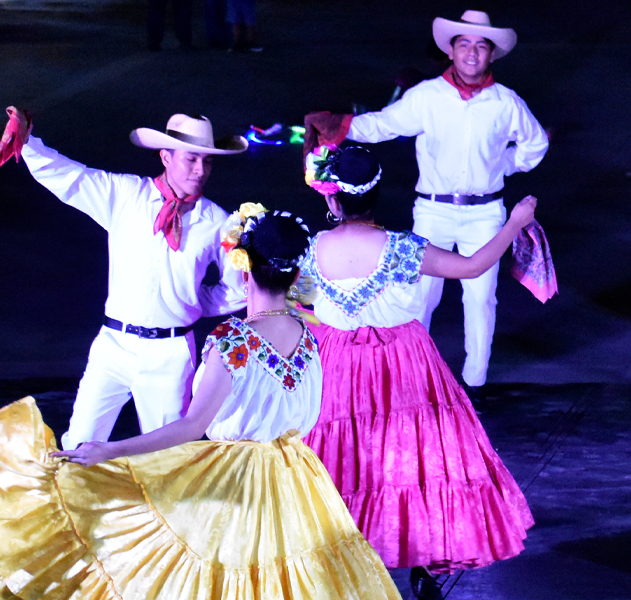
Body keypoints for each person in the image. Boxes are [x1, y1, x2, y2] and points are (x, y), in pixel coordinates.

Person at [0, 210, 404, 600]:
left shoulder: (232, 340)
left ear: (245, 271)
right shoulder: (310, 339)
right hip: (297, 477)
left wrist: (111, 450)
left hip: (235, 480)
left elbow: (192, 425)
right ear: (296, 275)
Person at [298, 145, 535, 597]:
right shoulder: (403, 247)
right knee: (411, 461)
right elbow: (472, 266)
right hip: (403, 364)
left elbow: (301, 300)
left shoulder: (313, 249)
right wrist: (514, 222)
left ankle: (340, 564)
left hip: (337, 367)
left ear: (332, 200)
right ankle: (421, 558)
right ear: (375, 192)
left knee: (347, 460)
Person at [308, 9, 549, 395]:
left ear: (491, 55)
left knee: (481, 297)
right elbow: (384, 125)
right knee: (419, 295)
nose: (472, 53)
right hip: (433, 210)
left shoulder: (506, 103)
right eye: (464, 44)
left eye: (481, 47)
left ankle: (475, 385)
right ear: (451, 51)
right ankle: (414, 383)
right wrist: (340, 126)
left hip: (485, 211)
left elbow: (536, 145)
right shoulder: (427, 96)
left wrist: (503, 165)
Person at [10, 109, 247, 451]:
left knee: (169, 457)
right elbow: (72, 178)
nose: (200, 169)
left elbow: (237, 288)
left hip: (171, 354)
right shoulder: (126, 195)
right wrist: (28, 143)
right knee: (78, 445)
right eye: (192, 158)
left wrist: (195, 302)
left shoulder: (218, 222)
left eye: (208, 162)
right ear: (166, 156)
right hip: (114, 346)